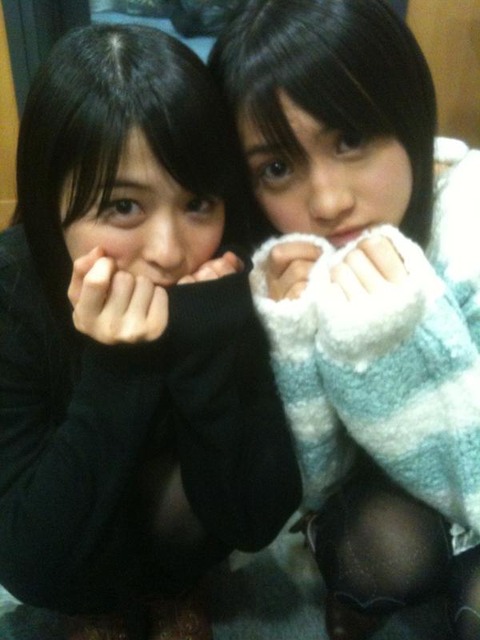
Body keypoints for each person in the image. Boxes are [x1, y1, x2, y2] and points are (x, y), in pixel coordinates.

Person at [0, 23, 302, 640]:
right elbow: (26, 562)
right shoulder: (11, 296)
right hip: (69, 539)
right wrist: (116, 366)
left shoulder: (230, 274)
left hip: (182, 525)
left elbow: (254, 521)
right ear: (49, 199)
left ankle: (174, 588)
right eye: (124, 206)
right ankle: (100, 605)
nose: (168, 252)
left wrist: (209, 341)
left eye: (197, 204)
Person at [208, 1, 480, 638]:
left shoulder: (469, 223)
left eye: (350, 140)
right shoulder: (278, 266)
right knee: (376, 554)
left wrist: (409, 326)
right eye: (277, 168)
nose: (328, 202)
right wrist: (293, 338)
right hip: (386, 489)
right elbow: (314, 482)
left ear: (405, 111)